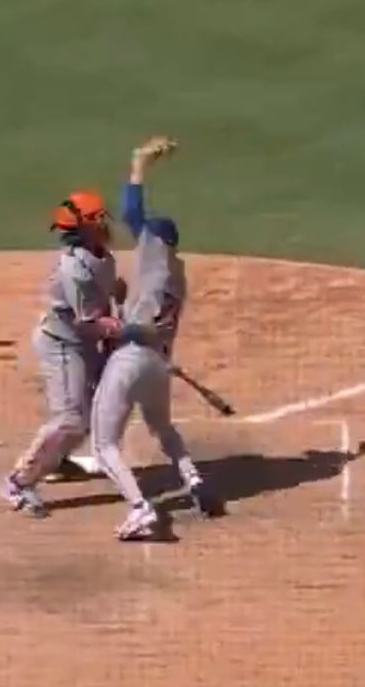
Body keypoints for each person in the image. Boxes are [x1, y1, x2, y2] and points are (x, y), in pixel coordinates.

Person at [90, 137, 225, 540]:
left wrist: (138, 164)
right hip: (157, 365)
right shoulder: (177, 275)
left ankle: (140, 509)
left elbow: (131, 211)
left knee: (103, 446)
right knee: (162, 428)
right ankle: (195, 480)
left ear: (157, 239)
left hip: (132, 359)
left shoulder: (153, 252)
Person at [0, 190, 121, 517]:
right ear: (86, 227)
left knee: (100, 402)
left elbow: (107, 297)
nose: (105, 224)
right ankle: (18, 482)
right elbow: (87, 322)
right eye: (98, 219)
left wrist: (118, 317)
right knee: (71, 419)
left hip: (82, 341)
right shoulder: (74, 269)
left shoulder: (101, 256)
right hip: (64, 345)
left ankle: (56, 460)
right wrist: (129, 332)